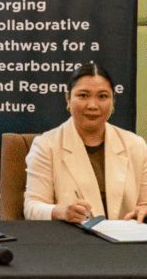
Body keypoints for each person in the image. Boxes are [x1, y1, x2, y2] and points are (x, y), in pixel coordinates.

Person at [24, 62, 147, 223]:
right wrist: (61, 211)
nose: (92, 105)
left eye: (102, 96)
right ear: (68, 98)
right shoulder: (45, 145)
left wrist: (144, 208)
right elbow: (31, 207)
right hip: (72, 237)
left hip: (125, 238)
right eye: (83, 95)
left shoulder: (136, 145)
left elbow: (144, 202)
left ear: (113, 101)